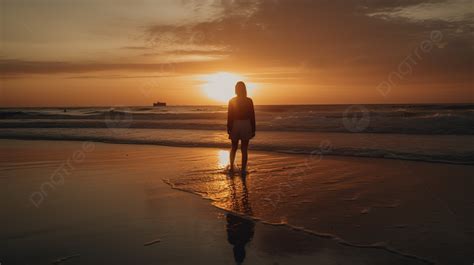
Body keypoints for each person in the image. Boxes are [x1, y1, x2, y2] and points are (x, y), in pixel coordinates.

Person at [227, 81, 256, 174]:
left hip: (235, 124)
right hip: (246, 124)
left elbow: (230, 115)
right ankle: (243, 170)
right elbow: (252, 115)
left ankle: (231, 167)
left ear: (236, 89)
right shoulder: (249, 100)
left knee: (234, 147)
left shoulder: (232, 101)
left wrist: (229, 127)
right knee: (244, 148)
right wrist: (253, 128)